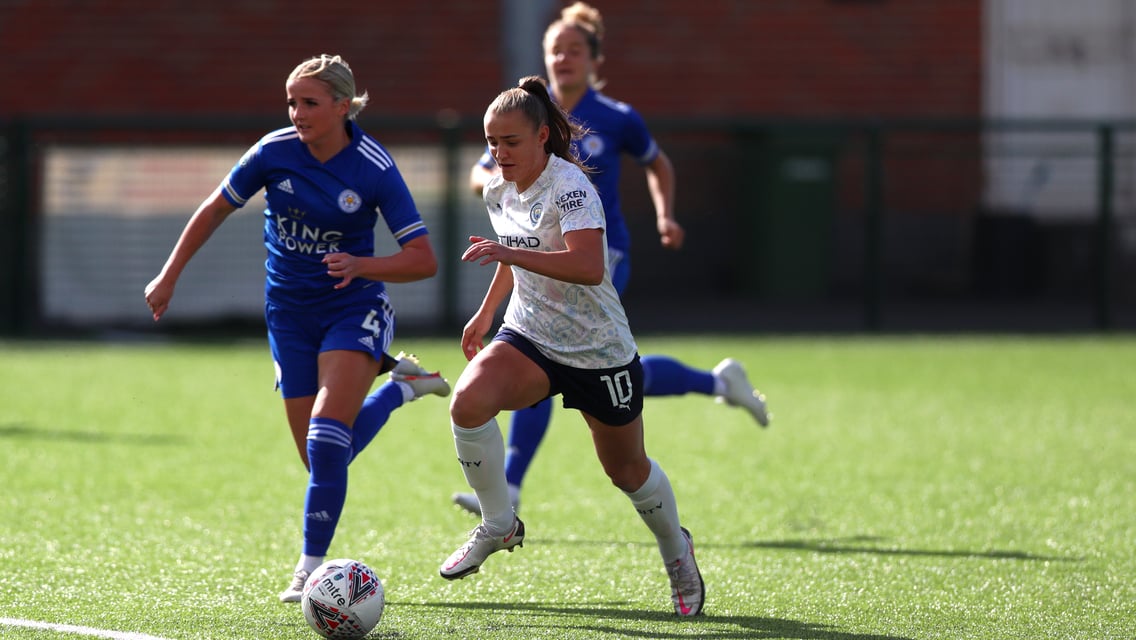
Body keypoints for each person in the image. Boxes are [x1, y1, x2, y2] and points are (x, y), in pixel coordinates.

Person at [143, 54, 451, 603]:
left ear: (341, 105)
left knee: (326, 437)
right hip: (288, 313)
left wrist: (363, 265)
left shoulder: (372, 166)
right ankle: (402, 389)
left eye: (309, 102)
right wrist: (168, 275)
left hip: (351, 307)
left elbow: (424, 258)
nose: (297, 112)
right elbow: (214, 208)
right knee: (318, 456)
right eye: (291, 101)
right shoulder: (273, 151)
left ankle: (308, 570)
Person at [454, 1, 769, 516]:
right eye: (555, 48)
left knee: (570, 356)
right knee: (571, 359)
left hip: (604, 254)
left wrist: (666, 215)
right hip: (537, 253)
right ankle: (716, 382)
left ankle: (509, 486)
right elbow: (482, 170)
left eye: (574, 50)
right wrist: (495, 184)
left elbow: (657, 164)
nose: (563, 57)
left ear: (595, 60)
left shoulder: (617, 117)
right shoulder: (526, 115)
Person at [441, 75, 705, 617]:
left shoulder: (571, 187)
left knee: (626, 472)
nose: (499, 152)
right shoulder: (496, 186)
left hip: (597, 349)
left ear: (542, 137)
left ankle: (676, 551)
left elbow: (586, 266)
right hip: (531, 333)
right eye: (491, 142)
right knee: (467, 402)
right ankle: (499, 523)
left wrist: (507, 256)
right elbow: (512, 252)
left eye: (510, 142)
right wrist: (486, 313)